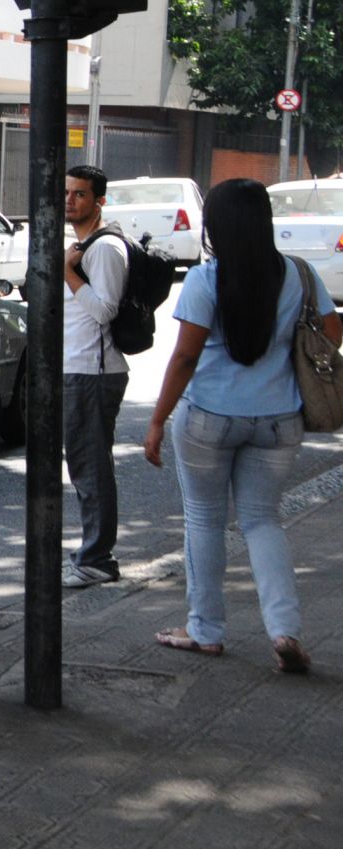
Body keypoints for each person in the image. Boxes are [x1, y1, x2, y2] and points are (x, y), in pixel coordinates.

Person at [146, 178, 339, 672]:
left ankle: (205, 630)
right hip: (278, 421)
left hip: (208, 419)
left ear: (216, 226)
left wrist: (157, 420)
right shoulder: (300, 274)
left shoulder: (206, 281)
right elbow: (331, 334)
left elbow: (185, 357)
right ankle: (285, 631)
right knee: (262, 521)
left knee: (205, 520)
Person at [60, 165, 130, 588]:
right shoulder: (83, 246)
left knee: (90, 468)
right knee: (85, 465)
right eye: (67, 193)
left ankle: (98, 557)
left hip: (93, 370)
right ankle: (94, 552)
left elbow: (105, 310)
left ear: (99, 201)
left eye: (80, 194)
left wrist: (67, 271)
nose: (70, 200)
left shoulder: (104, 249)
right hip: (79, 367)